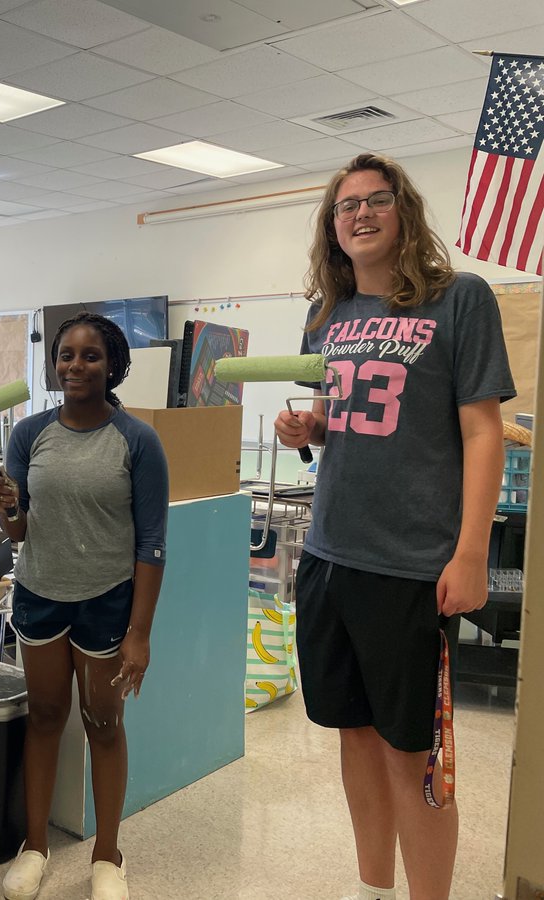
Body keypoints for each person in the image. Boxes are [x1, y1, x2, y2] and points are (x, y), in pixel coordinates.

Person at [274, 153, 514, 900]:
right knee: (352, 735)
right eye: (346, 206)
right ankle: (372, 887)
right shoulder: (326, 318)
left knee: (413, 754)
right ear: (332, 226)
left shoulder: (459, 299)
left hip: (410, 565)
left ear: (404, 212)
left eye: (378, 200)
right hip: (328, 557)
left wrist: (471, 551)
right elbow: (340, 422)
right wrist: (308, 425)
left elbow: (483, 433)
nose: (362, 213)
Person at [0, 312, 168, 900]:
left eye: (90, 356)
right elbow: (18, 532)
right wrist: (6, 507)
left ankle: (108, 854)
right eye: (66, 355)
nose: (76, 366)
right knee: (43, 718)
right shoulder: (29, 434)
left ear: (112, 363)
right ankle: (35, 845)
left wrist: (139, 632)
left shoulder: (137, 440)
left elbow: (151, 544)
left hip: (108, 604)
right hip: (40, 596)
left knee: (104, 723)